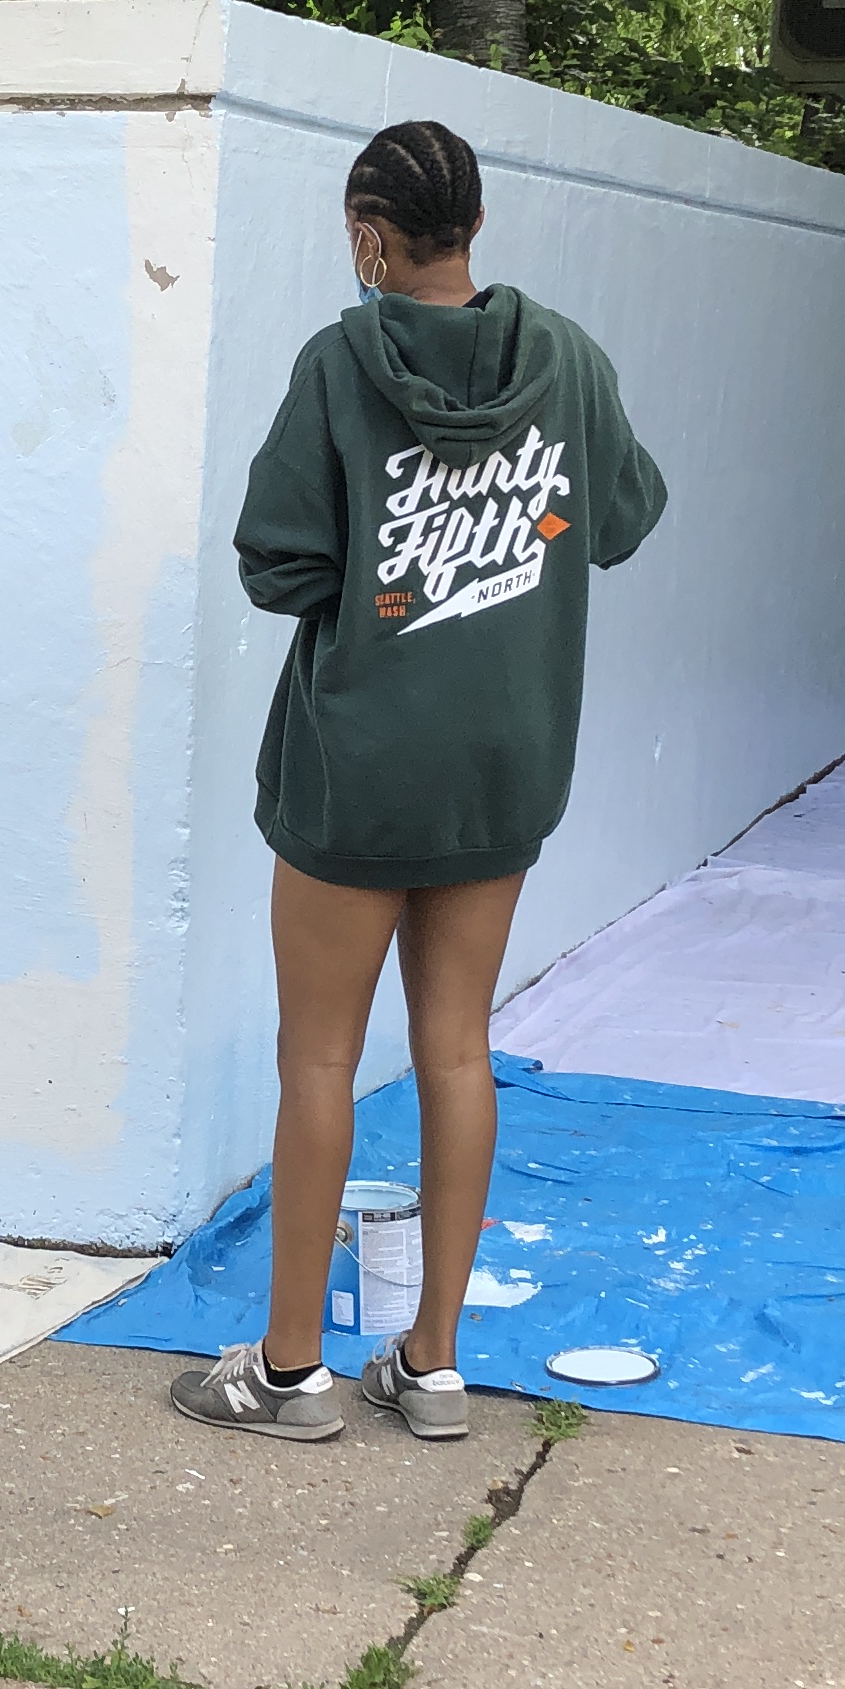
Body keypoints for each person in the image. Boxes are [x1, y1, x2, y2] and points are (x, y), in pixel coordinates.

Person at [172, 120, 668, 1445]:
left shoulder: (340, 363)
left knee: (319, 1057)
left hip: (357, 770)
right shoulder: (565, 361)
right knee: (458, 1048)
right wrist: (514, 541)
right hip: (502, 763)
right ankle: (434, 1364)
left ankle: (287, 1374)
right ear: (476, 229)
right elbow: (616, 519)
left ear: (371, 241)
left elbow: (277, 562)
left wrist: (392, 586)